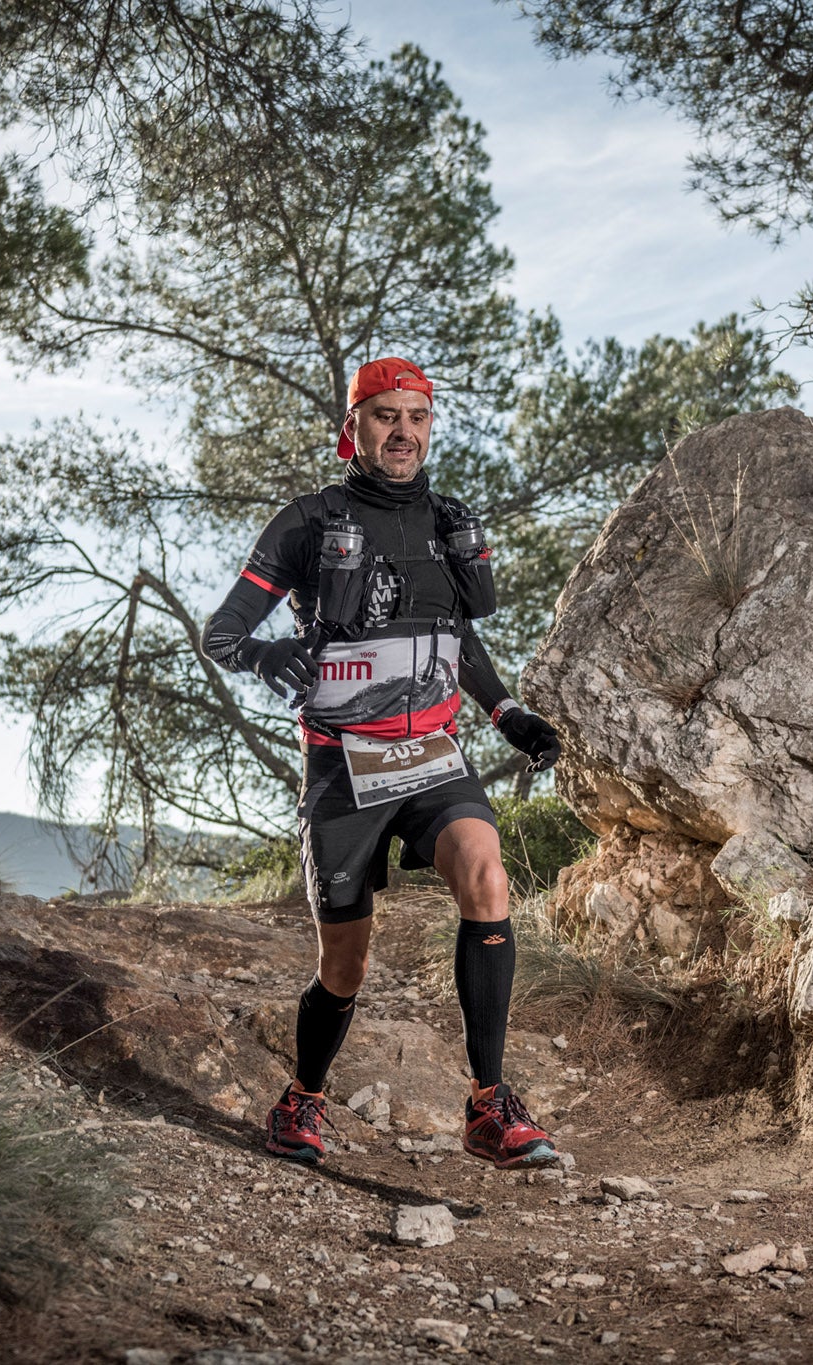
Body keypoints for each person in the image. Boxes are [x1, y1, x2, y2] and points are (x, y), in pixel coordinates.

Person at [203, 357, 566, 1169]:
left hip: (433, 756)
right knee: (345, 964)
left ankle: (488, 1103)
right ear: (353, 427)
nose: (403, 431)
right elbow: (222, 633)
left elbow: (454, 636)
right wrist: (265, 658)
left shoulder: (448, 520)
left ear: (430, 425)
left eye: (417, 416)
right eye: (384, 416)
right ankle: (304, 1097)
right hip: (343, 769)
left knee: (485, 869)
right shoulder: (307, 521)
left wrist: (506, 713)